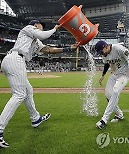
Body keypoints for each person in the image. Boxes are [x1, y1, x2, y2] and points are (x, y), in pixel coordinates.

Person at [0, 19, 78, 148]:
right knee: (19, 95)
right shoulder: (28, 29)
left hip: (15, 60)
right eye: (41, 26)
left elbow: (48, 50)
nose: (41, 28)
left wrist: (69, 48)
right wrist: (55, 29)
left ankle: (35, 119)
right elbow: (43, 35)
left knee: (28, 90)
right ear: (36, 25)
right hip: (16, 59)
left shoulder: (35, 40)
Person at [95, 40, 129, 129]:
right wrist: (103, 75)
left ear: (106, 46)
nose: (101, 54)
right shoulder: (104, 55)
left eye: (101, 51)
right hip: (114, 74)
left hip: (124, 75)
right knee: (108, 95)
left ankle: (104, 120)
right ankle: (119, 114)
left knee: (115, 91)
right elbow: (107, 64)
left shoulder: (119, 48)